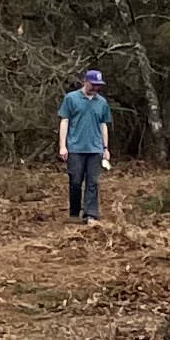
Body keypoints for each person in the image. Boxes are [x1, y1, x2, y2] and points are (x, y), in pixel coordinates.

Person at [58, 68, 114, 224]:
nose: (96, 88)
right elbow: (64, 121)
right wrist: (63, 146)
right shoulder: (71, 98)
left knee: (93, 182)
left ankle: (90, 214)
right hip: (75, 148)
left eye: (98, 85)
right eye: (93, 84)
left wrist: (105, 148)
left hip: (95, 149)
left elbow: (103, 125)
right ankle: (74, 213)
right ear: (85, 82)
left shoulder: (102, 102)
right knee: (75, 181)